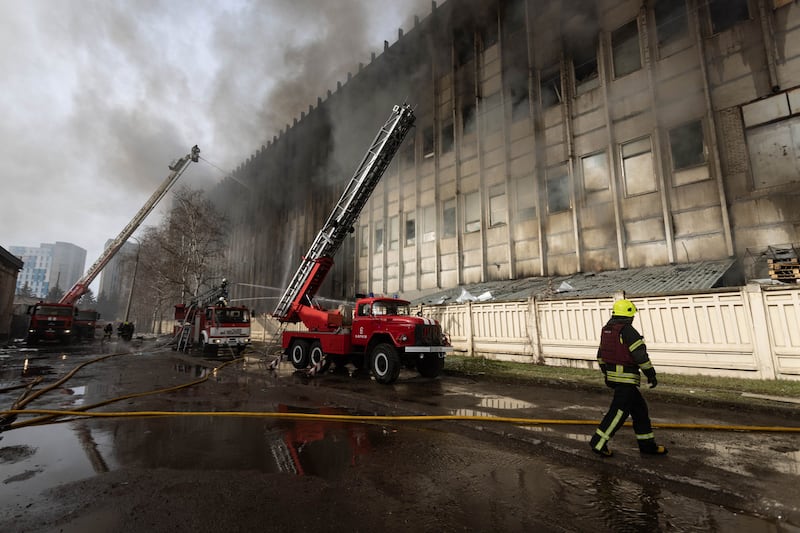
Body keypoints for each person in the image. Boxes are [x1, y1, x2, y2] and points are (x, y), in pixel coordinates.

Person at [589, 298, 668, 457]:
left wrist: (607, 374)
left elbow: (600, 356)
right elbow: (640, 356)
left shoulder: (607, 330)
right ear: (629, 315)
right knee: (618, 413)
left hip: (615, 378)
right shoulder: (628, 331)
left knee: (640, 410)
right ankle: (598, 442)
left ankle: (647, 445)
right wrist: (651, 375)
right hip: (627, 380)